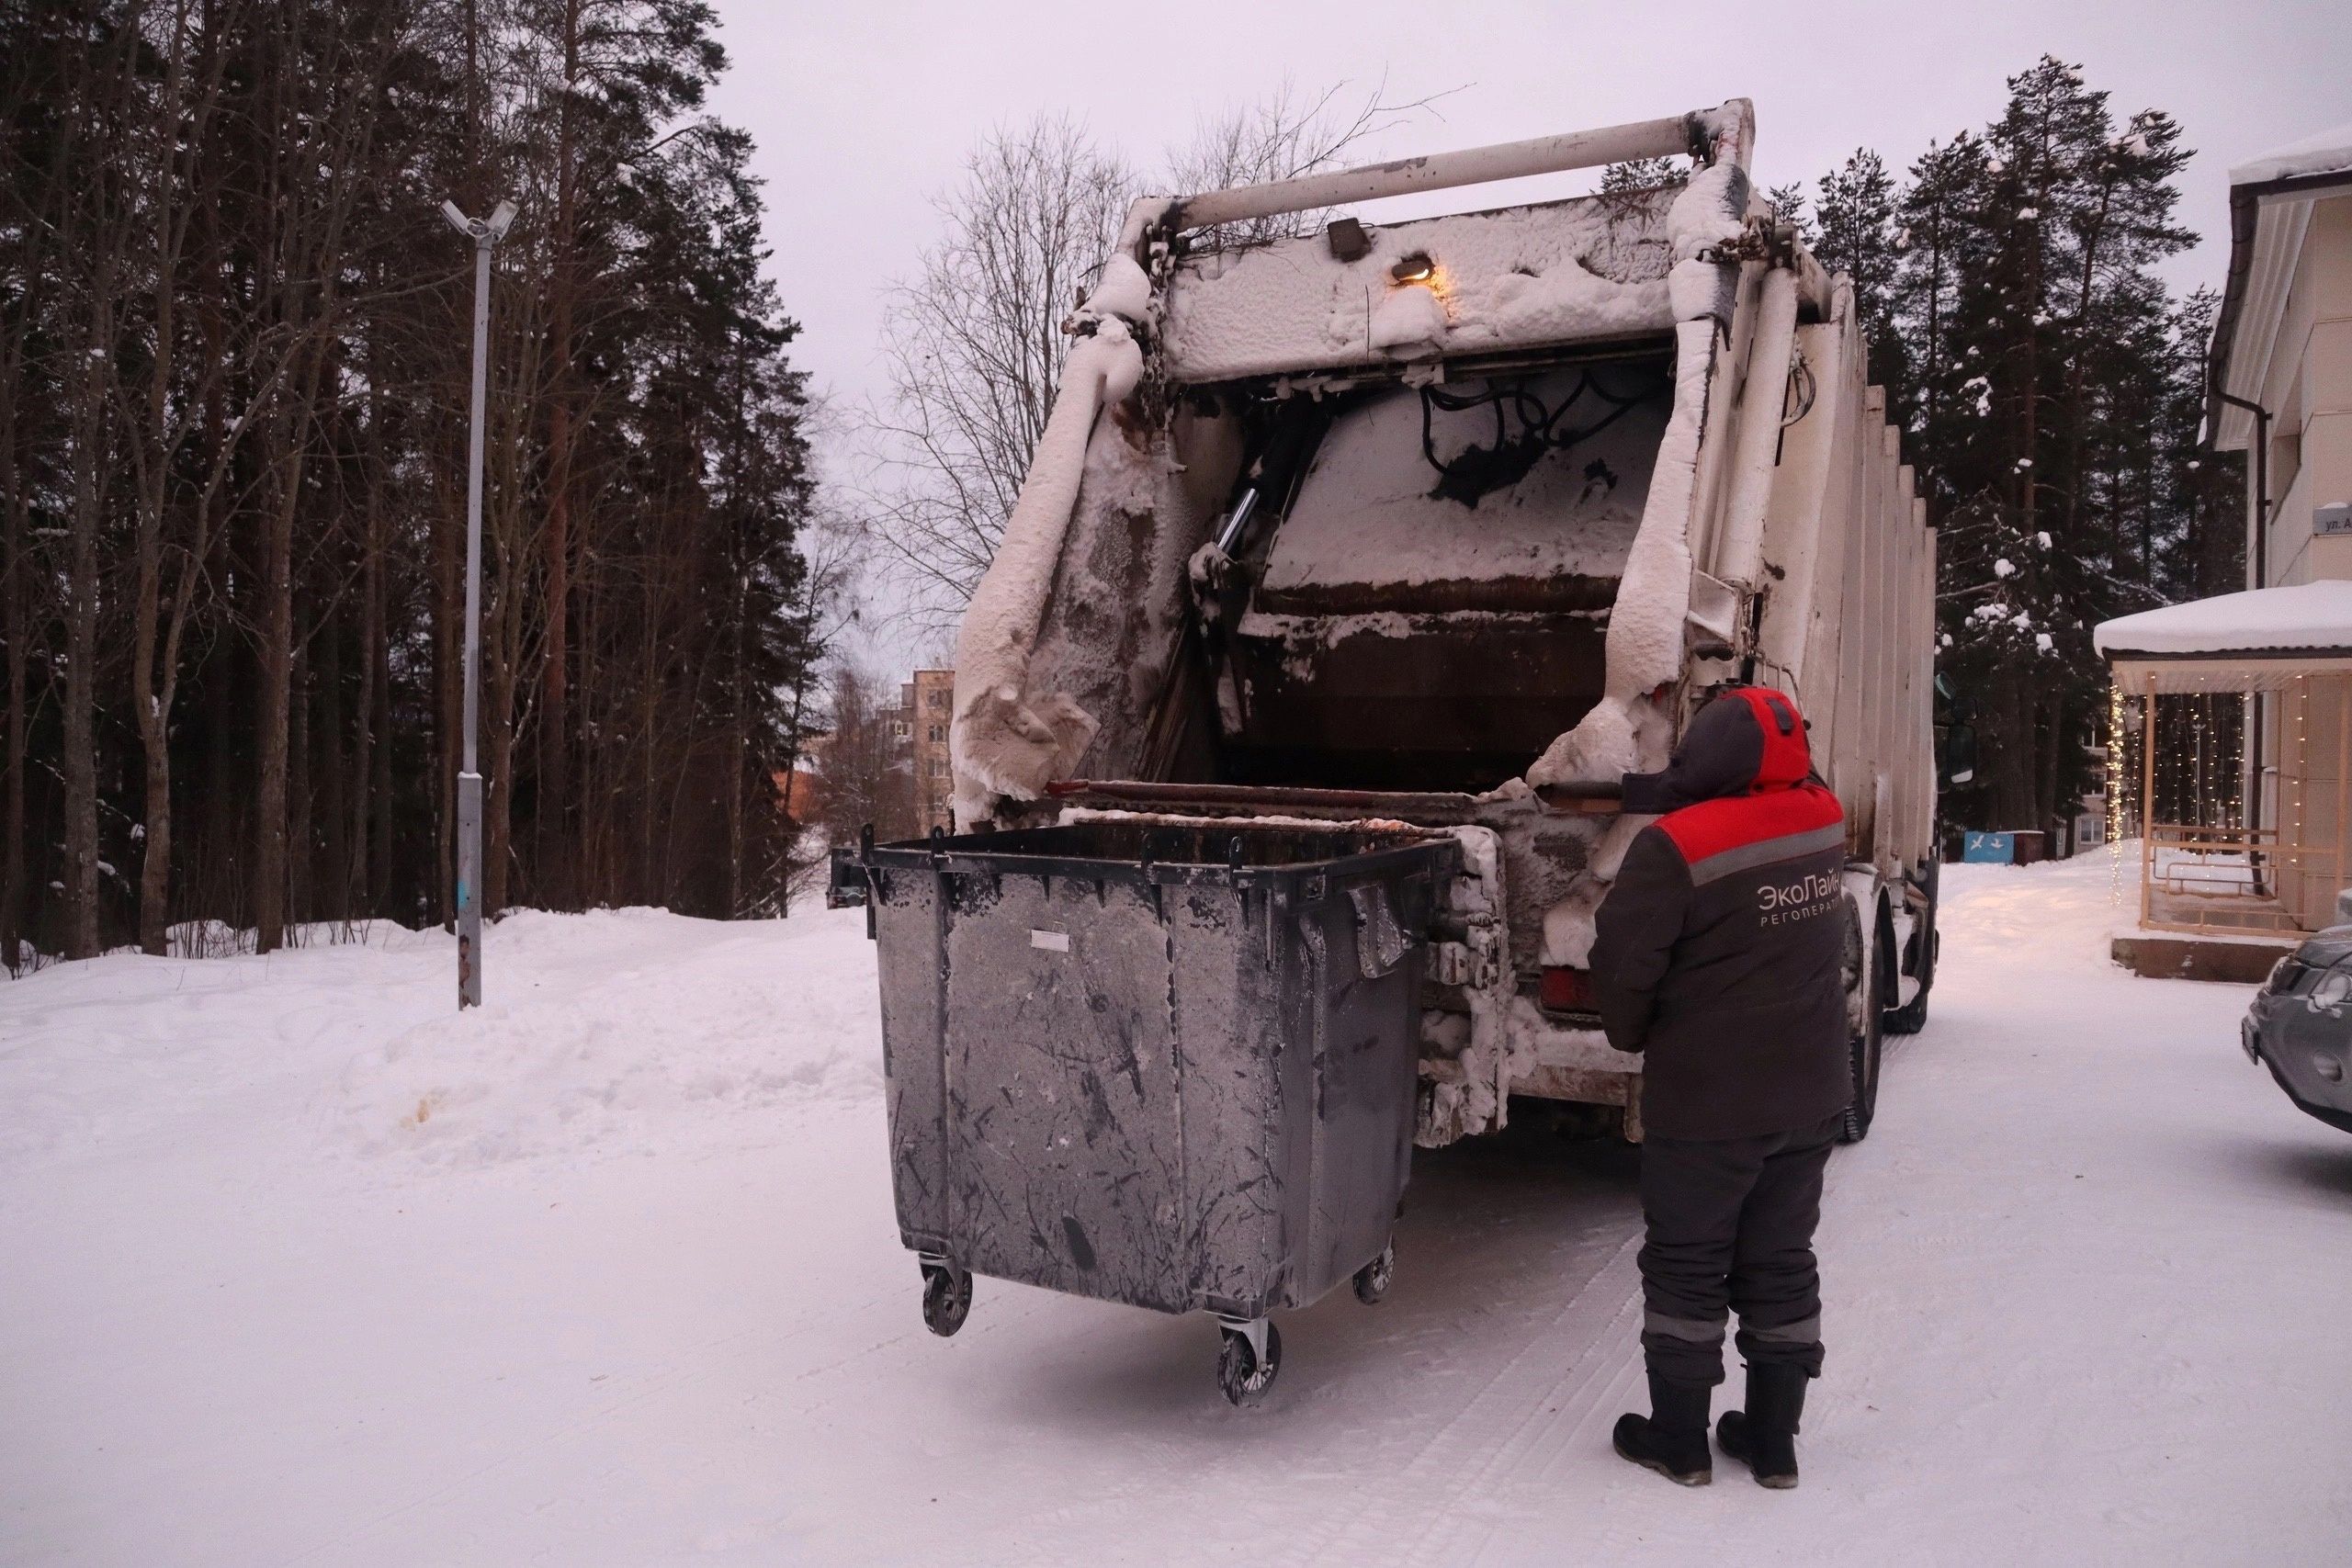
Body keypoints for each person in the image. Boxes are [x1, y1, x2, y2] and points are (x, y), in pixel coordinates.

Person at [1589, 685, 1852, 1490]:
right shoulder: (1824, 818)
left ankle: (1679, 1439)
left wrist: (1632, 1032)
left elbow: (1622, 966)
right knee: (1781, 1258)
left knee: (1688, 1263)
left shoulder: (1675, 847)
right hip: (1809, 1094)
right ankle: (1773, 1442)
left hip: (1708, 1102)